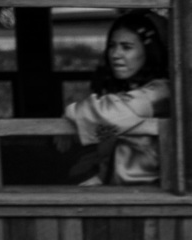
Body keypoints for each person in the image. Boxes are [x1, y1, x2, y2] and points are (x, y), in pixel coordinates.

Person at [62, 9, 171, 186]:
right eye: (112, 46)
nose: (115, 54)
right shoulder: (129, 89)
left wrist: (70, 116)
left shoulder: (159, 92)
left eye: (126, 47)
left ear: (148, 51)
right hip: (118, 184)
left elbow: (107, 114)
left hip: (148, 189)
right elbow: (106, 131)